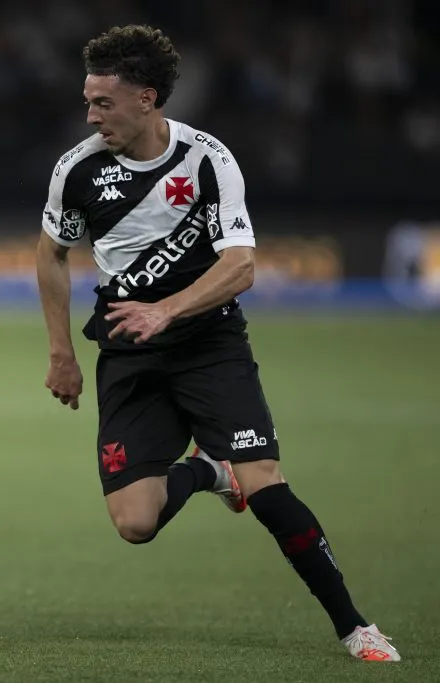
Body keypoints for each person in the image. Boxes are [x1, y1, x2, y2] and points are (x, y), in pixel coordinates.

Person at [35, 25, 399, 661]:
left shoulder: (207, 158)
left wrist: (166, 311)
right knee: (135, 524)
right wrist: (61, 353)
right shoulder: (78, 168)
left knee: (267, 486)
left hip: (210, 343)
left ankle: (356, 627)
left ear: (147, 99)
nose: (91, 115)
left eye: (103, 103)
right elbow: (51, 255)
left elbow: (242, 265)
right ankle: (208, 469)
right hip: (128, 350)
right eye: (88, 102)